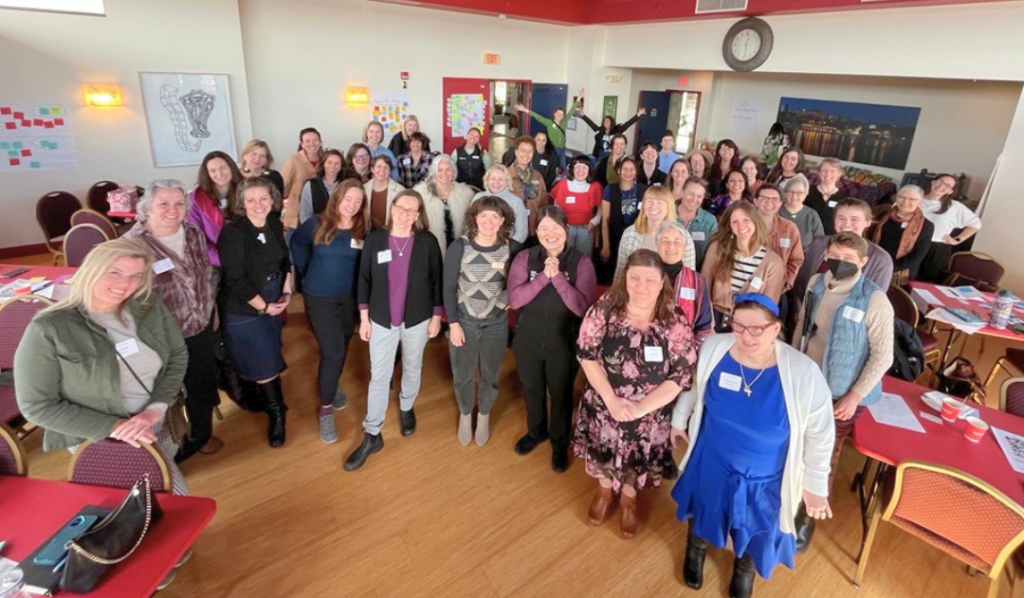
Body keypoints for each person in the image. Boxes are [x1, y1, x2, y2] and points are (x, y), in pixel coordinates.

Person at [670, 294, 834, 598]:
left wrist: (814, 485)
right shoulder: (715, 348)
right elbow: (695, 386)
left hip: (766, 477)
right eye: (739, 326)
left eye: (757, 329)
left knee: (756, 528)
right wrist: (679, 419)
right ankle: (695, 550)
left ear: (775, 328)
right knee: (704, 510)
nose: (746, 336)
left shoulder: (803, 372)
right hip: (712, 460)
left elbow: (821, 433)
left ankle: (744, 572)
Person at [14, 237, 191, 495]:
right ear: (91, 270)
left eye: (136, 276)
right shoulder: (49, 328)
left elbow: (177, 355)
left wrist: (155, 408)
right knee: (177, 498)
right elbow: (36, 405)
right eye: (115, 272)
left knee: (152, 488)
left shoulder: (148, 305)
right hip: (100, 435)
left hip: (159, 418)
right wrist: (116, 427)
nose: (125, 284)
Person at [574, 249, 697, 539]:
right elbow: (586, 354)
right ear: (624, 279)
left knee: (637, 459)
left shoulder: (674, 318)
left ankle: (629, 498)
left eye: (650, 280)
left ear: (662, 282)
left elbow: (681, 374)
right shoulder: (605, 308)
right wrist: (612, 400)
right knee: (604, 451)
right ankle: (604, 492)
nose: (642, 286)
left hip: (650, 416)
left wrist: (641, 409)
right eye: (635, 278)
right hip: (605, 406)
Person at [790, 232, 893, 554]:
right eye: (834, 256)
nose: (840, 264)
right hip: (807, 381)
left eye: (848, 260)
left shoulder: (874, 299)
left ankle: (807, 516)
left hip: (841, 392)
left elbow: (883, 356)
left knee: (824, 456)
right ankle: (788, 499)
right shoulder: (817, 284)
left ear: (863, 262)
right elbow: (801, 326)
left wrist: (855, 396)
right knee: (794, 442)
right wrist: (791, 366)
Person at [124, 180, 220, 462]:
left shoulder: (192, 233)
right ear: (146, 209)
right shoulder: (132, 245)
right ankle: (163, 453)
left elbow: (204, 274)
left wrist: (211, 311)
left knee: (201, 384)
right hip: (159, 338)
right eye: (163, 203)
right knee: (162, 395)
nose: (173, 210)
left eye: (179, 203)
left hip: (199, 326)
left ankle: (200, 436)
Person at [347, 190, 443, 471]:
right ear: (392, 208)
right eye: (402, 208)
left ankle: (406, 406)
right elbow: (363, 279)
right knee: (379, 376)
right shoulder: (376, 239)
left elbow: (437, 281)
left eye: (413, 211)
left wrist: (436, 316)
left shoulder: (427, 242)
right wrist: (364, 318)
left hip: (417, 318)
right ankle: (372, 433)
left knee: (412, 366)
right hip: (380, 318)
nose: (406, 215)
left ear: (418, 215)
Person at [509, 206, 597, 471]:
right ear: (536, 232)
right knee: (532, 389)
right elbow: (514, 300)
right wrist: (542, 279)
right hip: (528, 339)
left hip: (564, 341)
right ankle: (536, 431)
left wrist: (557, 277)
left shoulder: (581, 262)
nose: (551, 233)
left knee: (560, 394)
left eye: (556, 228)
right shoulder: (525, 257)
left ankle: (559, 443)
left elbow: (582, 307)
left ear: (566, 230)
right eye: (544, 228)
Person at [218, 177, 293, 448]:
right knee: (262, 362)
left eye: (263, 198)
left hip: (274, 297)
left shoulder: (274, 222)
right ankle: (278, 412)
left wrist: (287, 286)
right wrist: (264, 306)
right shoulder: (234, 233)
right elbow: (235, 279)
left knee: (269, 352)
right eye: (250, 199)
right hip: (246, 307)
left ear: (272, 200)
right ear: (241, 203)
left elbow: (284, 258)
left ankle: (268, 402)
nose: (257, 204)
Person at [290, 179, 366, 444]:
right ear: (337, 198)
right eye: (348, 199)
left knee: (341, 346)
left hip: (349, 300)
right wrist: (307, 270)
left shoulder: (364, 228)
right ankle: (325, 411)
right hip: (319, 297)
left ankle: (330, 385)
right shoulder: (316, 223)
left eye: (358, 201)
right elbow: (297, 245)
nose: (352, 205)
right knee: (333, 351)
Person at [444, 197, 520, 447]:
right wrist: (452, 323)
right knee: (463, 373)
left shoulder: (513, 248)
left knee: (490, 373)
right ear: (475, 218)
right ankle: (466, 414)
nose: (489, 221)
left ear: (502, 221)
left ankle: (484, 414)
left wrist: (507, 299)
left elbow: (521, 281)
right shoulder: (460, 246)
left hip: (496, 323)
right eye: (484, 216)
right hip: (464, 321)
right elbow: (447, 288)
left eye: (495, 217)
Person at [701, 202, 786, 331]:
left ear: (755, 222)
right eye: (735, 222)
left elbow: (769, 307)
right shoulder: (717, 250)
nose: (741, 226)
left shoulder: (773, 263)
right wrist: (709, 324)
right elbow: (704, 288)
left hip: (750, 325)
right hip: (714, 320)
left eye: (746, 220)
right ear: (729, 226)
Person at [794, 198, 894, 306]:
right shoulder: (819, 244)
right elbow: (802, 282)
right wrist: (801, 311)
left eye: (854, 219)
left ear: (868, 222)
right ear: (834, 220)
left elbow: (874, 300)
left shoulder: (880, 259)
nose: (847, 224)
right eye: (841, 218)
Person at [615, 186, 691, 279]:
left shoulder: (684, 236)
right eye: (650, 201)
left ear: (669, 207)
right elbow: (620, 272)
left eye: (660, 202)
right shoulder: (629, 233)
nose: (653, 206)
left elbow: (689, 277)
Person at [656, 221, 712, 346]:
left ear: (685, 248)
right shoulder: (646, 276)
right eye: (665, 241)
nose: (671, 246)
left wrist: (692, 353)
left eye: (677, 242)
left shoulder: (697, 281)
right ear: (657, 245)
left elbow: (704, 326)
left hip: (685, 351)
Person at [919, 173, 983, 281]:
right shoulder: (914, 199)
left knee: (924, 282)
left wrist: (957, 240)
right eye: (940, 181)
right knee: (901, 279)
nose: (941, 186)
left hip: (935, 250)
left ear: (950, 191)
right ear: (933, 182)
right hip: (910, 243)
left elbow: (976, 224)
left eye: (947, 185)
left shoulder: (954, 206)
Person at [187, 150, 243, 267]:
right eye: (213, 170)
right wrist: (223, 260)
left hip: (247, 256)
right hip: (216, 261)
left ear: (231, 167)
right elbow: (196, 238)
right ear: (207, 173)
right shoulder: (196, 199)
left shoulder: (246, 191)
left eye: (223, 167)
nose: (219, 173)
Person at [871, 185, 934, 284]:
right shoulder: (883, 216)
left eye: (912, 199)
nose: (905, 202)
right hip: (875, 264)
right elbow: (870, 239)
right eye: (902, 197)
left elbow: (918, 254)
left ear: (920, 202)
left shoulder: (927, 226)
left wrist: (891, 268)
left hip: (900, 271)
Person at [415, 155, 475, 258]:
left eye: (448, 170)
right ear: (434, 173)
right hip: (430, 250)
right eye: (440, 170)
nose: (444, 174)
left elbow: (471, 224)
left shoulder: (466, 194)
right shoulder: (421, 193)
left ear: (454, 172)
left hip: (459, 250)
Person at [599, 156, 646, 284]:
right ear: (619, 171)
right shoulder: (610, 189)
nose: (628, 172)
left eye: (632, 169)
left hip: (637, 238)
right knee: (613, 273)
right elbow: (605, 220)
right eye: (625, 169)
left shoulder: (643, 190)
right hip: (615, 237)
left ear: (636, 172)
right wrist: (606, 245)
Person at [753, 184, 805, 293]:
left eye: (774, 199)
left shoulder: (789, 228)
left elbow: (796, 260)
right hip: (744, 283)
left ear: (781, 203)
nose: (769, 203)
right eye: (763, 198)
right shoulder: (745, 225)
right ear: (755, 201)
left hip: (776, 287)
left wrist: (787, 283)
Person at [549, 155, 603, 255]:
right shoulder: (563, 185)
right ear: (572, 169)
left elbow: (601, 210)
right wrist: (561, 225)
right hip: (566, 229)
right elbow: (556, 209)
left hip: (586, 229)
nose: (581, 170)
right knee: (565, 257)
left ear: (589, 170)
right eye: (577, 167)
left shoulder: (595, 187)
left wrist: (594, 222)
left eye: (584, 167)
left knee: (583, 260)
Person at [514, 92, 581, 170]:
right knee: (553, 165)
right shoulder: (549, 123)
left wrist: (579, 97)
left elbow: (571, 111)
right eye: (558, 113)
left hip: (562, 149)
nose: (560, 115)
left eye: (562, 114)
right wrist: (524, 109)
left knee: (563, 166)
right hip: (553, 149)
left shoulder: (564, 122)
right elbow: (537, 117)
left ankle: (561, 178)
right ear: (554, 114)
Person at [281, 127, 324, 230]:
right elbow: (283, 185)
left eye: (315, 140)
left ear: (320, 142)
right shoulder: (293, 160)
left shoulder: (325, 160)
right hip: (297, 210)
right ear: (302, 144)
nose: (312, 144)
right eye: (307, 141)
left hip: (320, 209)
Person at [473, 165, 529, 244]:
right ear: (487, 180)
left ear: (507, 181)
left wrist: (508, 248)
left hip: (506, 247)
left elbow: (521, 233)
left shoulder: (516, 202)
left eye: (501, 179)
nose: (496, 182)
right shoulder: (477, 197)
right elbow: (470, 224)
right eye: (493, 178)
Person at [507, 135, 549, 238]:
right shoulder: (505, 175)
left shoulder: (537, 176)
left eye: (530, 151)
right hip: (512, 231)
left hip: (533, 230)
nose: (526, 154)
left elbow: (544, 203)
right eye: (522, 150)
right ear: (516, 152)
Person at [579, 99, 645, 160]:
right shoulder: (600, 131)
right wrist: (582, 115)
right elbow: (591, 123)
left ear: (611, 122)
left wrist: (638, 114)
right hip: (601, 155)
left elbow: (628, 123)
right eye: (604, 121)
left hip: (614, 154)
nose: (605, 123)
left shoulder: (618, 130)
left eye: (607, 121)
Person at [676, 177, 719, 271]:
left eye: (699, 196)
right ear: (683, 192)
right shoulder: (668, 214)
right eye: (691, 194)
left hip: (697, 273)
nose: (694, 199)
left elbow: (713, 253)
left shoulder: (710, 221)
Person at [298, 149, 346, 225]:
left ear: (341, 166)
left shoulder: (346, 186)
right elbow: (304, 214)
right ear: (323, 164)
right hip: (315, 230)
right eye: (329, 162)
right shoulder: (310, 185)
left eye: (337, 163)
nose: (332, 166)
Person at [779, 174, 825, 253]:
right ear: (785, 193)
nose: (794, 195)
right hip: (776, 256)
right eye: (791, 191)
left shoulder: (812, 214)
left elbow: (820, 241)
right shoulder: (776, 211)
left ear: (805, 195)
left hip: (805, 258)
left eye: (799, 192)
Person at [804, 158, 849, 235]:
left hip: (832, 238)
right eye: (824, 170)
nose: (828, 174)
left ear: (839, 173)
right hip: (809, 235)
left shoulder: (844, 196)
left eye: (832, 171)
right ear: (819, 172)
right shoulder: (807, 191)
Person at [363, 155, 404, 230]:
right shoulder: (363, 189)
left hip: (390, 232)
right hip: (367, 233)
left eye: (386, 167)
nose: (382, 170)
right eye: (379, 166)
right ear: (372, 169)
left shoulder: (400, 191)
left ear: (390, 171)